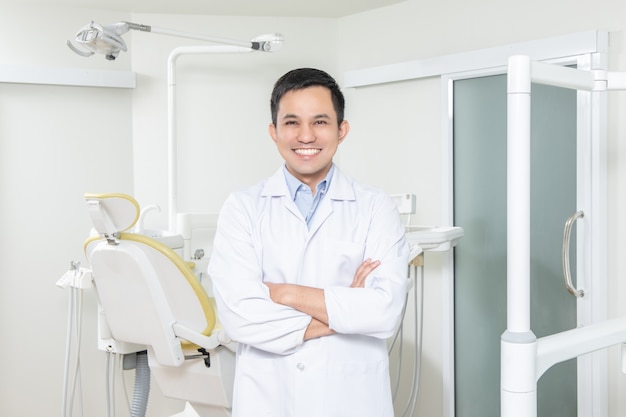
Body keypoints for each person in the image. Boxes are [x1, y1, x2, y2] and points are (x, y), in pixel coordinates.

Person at [208, 68, 409, 417]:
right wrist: (346, 311)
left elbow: (384, 312)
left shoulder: (375, 206)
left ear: (341, 130)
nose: (305, 136)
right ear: (273, 132)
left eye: (320, 121)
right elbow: (240, 318)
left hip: (351, 396)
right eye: (291, 122)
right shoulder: (242, 207)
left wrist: (284, 293)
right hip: (269, 397)